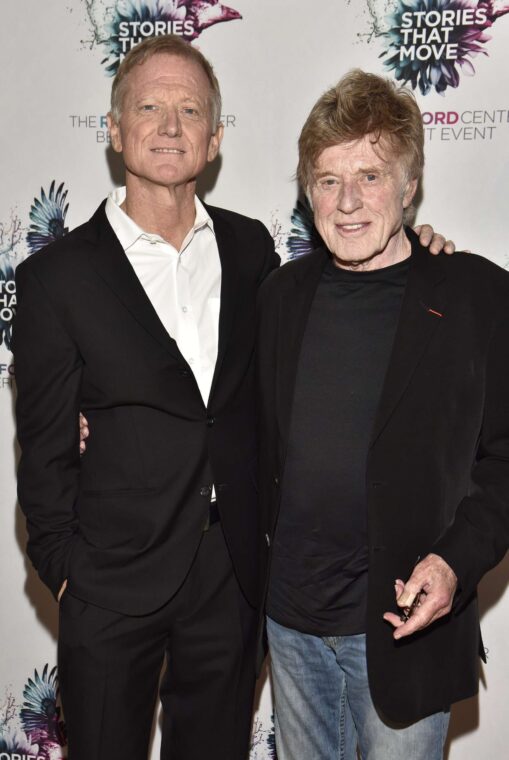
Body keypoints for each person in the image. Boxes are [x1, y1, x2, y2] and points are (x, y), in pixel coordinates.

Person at [14, 35, 451, 760]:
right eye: (148, 106)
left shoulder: (254, 255)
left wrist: (422, 247)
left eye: (190, 109)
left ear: (215, 140)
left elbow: (352, 299)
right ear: (115, 129)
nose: (169, 125)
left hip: (233, 579)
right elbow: (42, 449)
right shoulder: (55, 280)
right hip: (110, 582)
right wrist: (67, 574)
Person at [257, 70, 509, 760]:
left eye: (369, 176)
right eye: (327, 180)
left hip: (405, 626)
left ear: (408, 186)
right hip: (289, 627)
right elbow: (226, 423)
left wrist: (456, 564)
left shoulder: (475, 296)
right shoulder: (279, 296)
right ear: (306, 191)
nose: (346, 203)